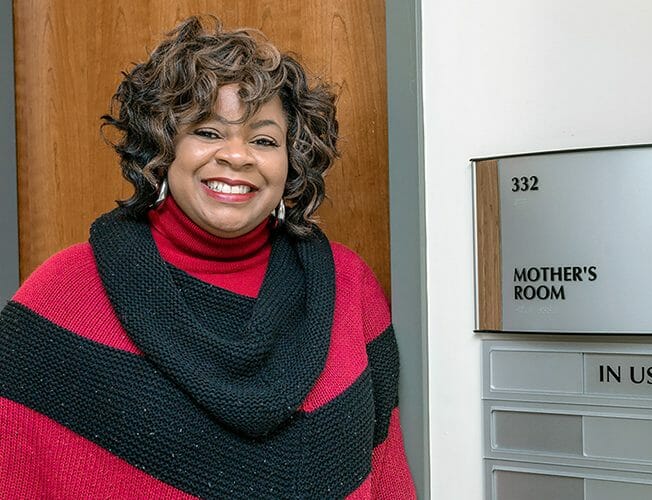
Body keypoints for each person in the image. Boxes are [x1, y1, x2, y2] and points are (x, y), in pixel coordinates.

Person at [0, 16, 415, 499]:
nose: (237, 156)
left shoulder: (347, 286)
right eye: (209, 132)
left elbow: (388, 474)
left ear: (292, 161)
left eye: (263, 140)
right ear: (163, 147)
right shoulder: (63, 294)